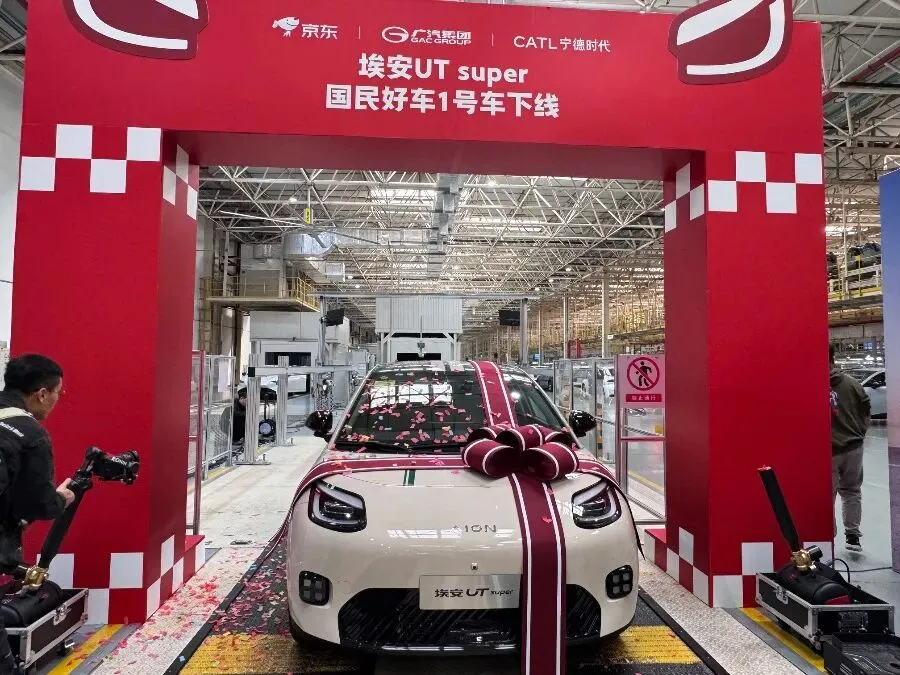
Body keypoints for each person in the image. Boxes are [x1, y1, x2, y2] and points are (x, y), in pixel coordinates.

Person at [0, 354, 76, 674]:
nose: (58, 400)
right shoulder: (30, 433)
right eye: (59, 392)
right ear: (42, 393)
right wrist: (62, 498)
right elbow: (39, 504)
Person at [829, 344, 870, 552]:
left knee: (826, 495)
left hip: (827, 451)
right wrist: (860, 432)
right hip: (853, 447)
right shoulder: (852, 383)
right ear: (833, 358)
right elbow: (866, 408)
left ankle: (827, 536)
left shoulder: (811, 384)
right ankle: (852, 536)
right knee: (852, 491)